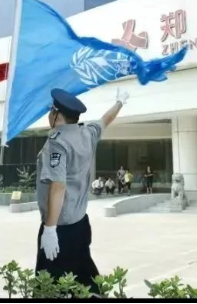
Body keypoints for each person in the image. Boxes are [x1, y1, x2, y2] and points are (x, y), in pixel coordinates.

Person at [36, 88, 128, 294]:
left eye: (51, 111)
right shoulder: (87, 133)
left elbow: (58, 186)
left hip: (59, 229)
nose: (49, 115)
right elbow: (105, 119)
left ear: (57, 114)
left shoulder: (57, 143)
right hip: (80, 225)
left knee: (48, 287)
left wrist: (49, 229)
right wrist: (120, 102)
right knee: (84, 281)